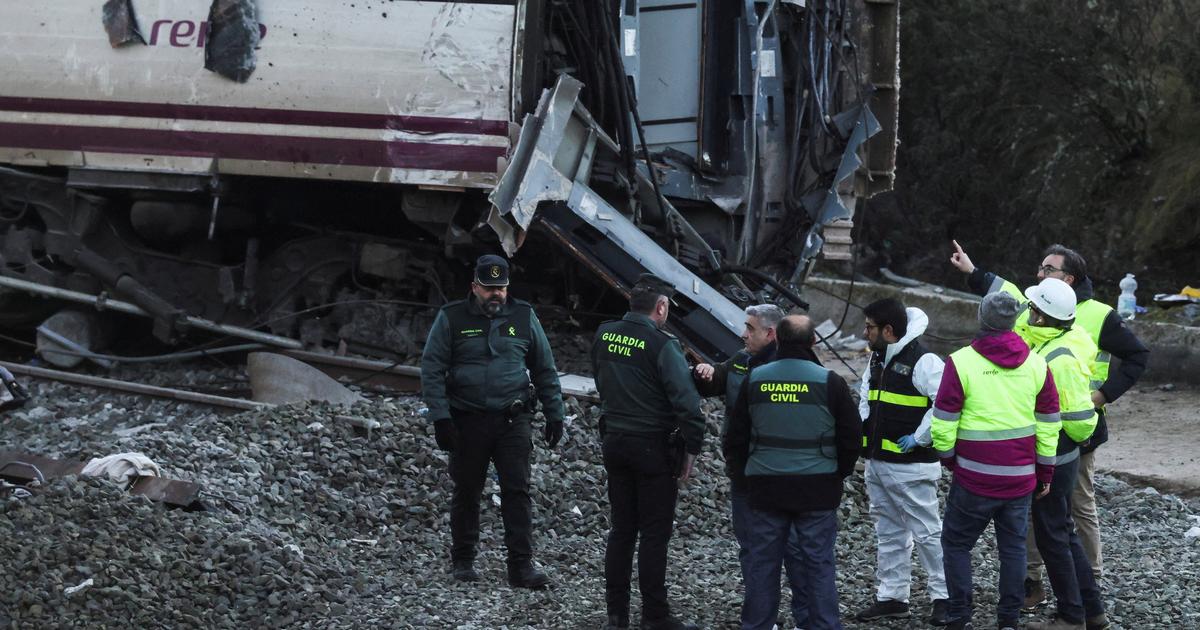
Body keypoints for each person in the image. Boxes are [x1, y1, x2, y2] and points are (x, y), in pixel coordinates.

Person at [950, 241, 1149, 595]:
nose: (1039, 274)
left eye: (1047, 269)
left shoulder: (1100, 314)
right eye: (1041, 268)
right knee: (1032, 507)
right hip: (1035, 426)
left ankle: (1090, 581)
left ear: (1068, 279)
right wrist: (971, 270)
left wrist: (1102, 397)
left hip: (1078, 427)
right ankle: (1033, 581)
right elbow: (1004, 290)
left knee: (1078, 504)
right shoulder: (1037, 302)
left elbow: (1137, 356)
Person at [420, 254, 565, 588]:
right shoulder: (452, 317)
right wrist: (440, 418)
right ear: (474, 287)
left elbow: (544, 368)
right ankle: (463, 561)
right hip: (467, 420)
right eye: (489, 289)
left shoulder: (524, 316)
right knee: (468, 490)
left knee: (517, 490)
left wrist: (555, 413)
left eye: (500, 288)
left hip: (513, 420)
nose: (496, 295)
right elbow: (432, 368)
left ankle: (521, 567)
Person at [932, 292, 1061, 630]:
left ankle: (959, 615)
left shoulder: (960, 362)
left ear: (982, 319)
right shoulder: (1037, 364)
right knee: (1013, 549)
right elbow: (1049, 424)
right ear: (1015, 321)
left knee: (956, 544)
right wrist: (1045, 471)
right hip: (1020, 479)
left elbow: (943, 421)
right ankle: (1008, 620)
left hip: (973, 477)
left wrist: (949, 460)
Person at [725, 315, 861, 630]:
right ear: (813, 342)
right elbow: (851, 437)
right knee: (819, 565)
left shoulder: (756, 378)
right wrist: (835, 474)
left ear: (779, 340)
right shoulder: (830, 381)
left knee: (763, 566)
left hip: (766, 489)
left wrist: (747, 478)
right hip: (817, 490)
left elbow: (736, 438)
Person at [592, 273, 706, 630]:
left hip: (615, 442)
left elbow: (600, 380)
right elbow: (687, 405)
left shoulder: (604, 333)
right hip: (652, 449)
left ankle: (616, 615)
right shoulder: (662, 344)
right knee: (654, 534)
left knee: (622, 530)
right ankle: (654, 615)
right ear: (661, 307)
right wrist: (692, 449)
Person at [694, 304, 809, 630]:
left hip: (783, 478)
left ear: (771, 333)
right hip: (745, 476)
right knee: (754, 552)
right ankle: (762, 622)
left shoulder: (794, 367)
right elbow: (718, 379)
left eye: (750, 328)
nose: (743, 334)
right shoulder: (741, 361)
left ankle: (806, 620)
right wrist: (704, 373)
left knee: (795, 551)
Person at [1017, 279, 1109, 630]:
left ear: (1043, 317)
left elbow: (1078, 421)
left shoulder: (1059, 357)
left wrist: (1049, 456)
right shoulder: (1060, 342)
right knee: (1062, 531)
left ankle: (1073, 616)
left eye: (1033, 308)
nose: (1028, 312)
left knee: (1053, 536)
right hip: (1059, 452)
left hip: (1055, 453)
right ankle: (1092, 611)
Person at [854, 298, 950, 625]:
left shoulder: (924, 361)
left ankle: (945, 597)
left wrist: (920, 438)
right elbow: (865, 399)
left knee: (927, 533)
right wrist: (863, 433)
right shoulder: (878, 360)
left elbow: (946, 403)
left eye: (869, 327)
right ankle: (892, 596)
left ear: (889, 330)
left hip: (912, 466)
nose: (864, 333)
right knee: (889, 532)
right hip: (879, 463)